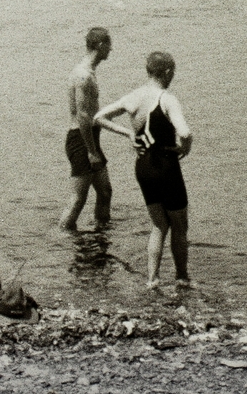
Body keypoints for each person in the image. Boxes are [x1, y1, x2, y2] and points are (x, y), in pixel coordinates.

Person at [95, 51, 194, 288]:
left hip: (144, 167)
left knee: (159, 225)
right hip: (166, 166)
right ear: (168, 72)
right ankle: (181, 278)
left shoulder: (133, 97)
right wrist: (184, 148)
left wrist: (129, 133)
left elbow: (99, 117)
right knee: (179, 226)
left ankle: (152, 279)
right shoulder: (167, 99)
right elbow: (185, 132)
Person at [61, 27, 128, 231]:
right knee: (78, 200)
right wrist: (91, 151)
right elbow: (82, 115)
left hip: (90, 138)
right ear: (100, 45)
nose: (111, 49)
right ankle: (63, 237)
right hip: (81, 140)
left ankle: (101, 236)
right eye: (109, 45)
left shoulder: (88, 72)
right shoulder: (83, 76)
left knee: (105, 191)